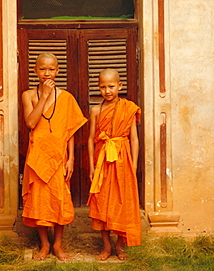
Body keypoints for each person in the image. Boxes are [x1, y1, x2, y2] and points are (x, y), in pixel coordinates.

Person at [22, 52, 87, 261]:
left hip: (59, 156)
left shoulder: (66, 97)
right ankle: (44, 245)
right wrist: (44, 97)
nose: (46, 73)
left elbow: (69, 130)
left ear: (57, 71)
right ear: (35, 70)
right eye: (42, 69)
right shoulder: (28, 95)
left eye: (51, 69)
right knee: (39, 201)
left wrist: (71, 159)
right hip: (38, 157)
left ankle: (58, 245)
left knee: (59, 200)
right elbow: (31, 123)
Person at [87, 68, 141, 261]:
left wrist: (133, 165)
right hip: (102, 162)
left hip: (122, 159)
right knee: (102, 203)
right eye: (102, 87)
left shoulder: (128, 107)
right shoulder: (95, 110)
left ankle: (120, 245)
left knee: (121, 203)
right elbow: (91, 139)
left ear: (120, 85)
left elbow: (134, 139)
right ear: (98, 88)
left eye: (111, 86)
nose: (107, 91)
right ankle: (106, 246)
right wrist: (92, 167)